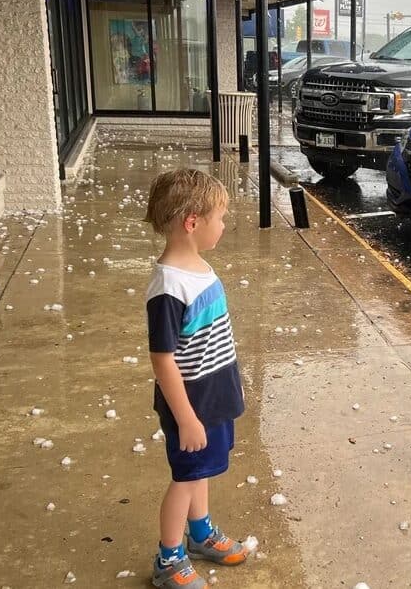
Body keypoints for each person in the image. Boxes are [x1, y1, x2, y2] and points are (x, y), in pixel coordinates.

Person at [143, 169, 248, 588]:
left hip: (213, 395)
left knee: (201, 470)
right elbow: (163, 359)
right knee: (185, 478)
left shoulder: (198, 268)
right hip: (191, 403)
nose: (223, 225)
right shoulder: (169, 286)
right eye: (219, 218)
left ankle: (200, 533)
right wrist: (186, 418)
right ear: (192, 223)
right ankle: (169, 558)